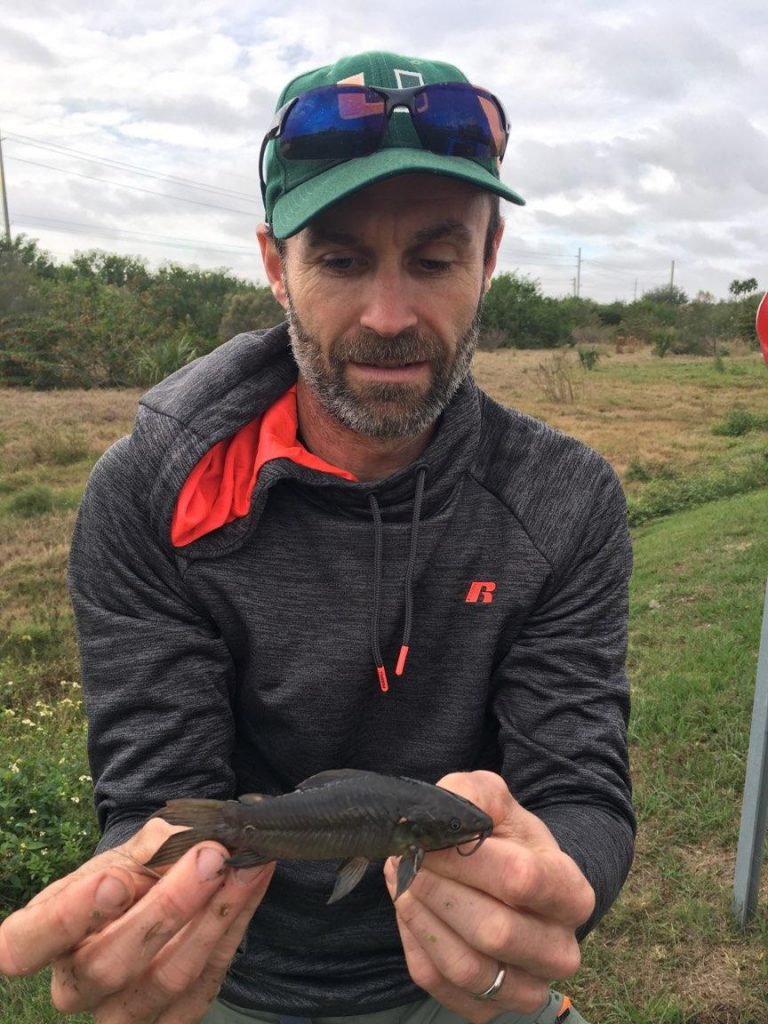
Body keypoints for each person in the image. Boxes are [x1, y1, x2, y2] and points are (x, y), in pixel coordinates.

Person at [0, 50, 634, 1024]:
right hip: (226, 973)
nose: (390, 316)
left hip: (459, 979)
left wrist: (549, 886)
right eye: (339, 258)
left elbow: (581, 790)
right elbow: (157, 795)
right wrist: (144, 903)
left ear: (490, 257)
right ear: (275, 266)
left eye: (435, 257)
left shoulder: (568, 500)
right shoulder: (147, 496)